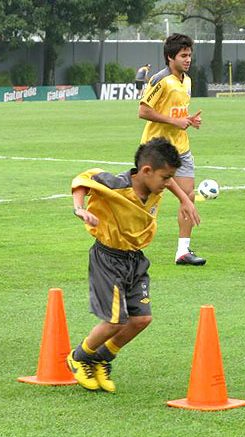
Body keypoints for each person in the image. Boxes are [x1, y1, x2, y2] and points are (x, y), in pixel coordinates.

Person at [66, 138, 200, 392]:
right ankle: (79, 357)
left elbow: (171, 182)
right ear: (146, 171)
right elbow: (81, 181)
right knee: (115, 321)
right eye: (165, 177)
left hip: (136, 259)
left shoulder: (156, 185)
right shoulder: (115, 184)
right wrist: (79, 209)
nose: (167, 183)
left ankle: (101, 358)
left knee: (141, 319)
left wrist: (185, 199)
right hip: (108, 257)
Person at [139, 33, 205, 266]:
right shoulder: (160, 80)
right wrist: (174, 121)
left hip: (182, 148)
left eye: (190, 55)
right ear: (170, 57)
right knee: (146, 201)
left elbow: (176, 112)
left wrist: (187, 120)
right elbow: (143, 111)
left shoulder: (186, 80)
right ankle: (130, 245)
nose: (188, 59)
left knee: (188, 197)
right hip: (157, 151)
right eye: (183, 55)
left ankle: (183, 252)